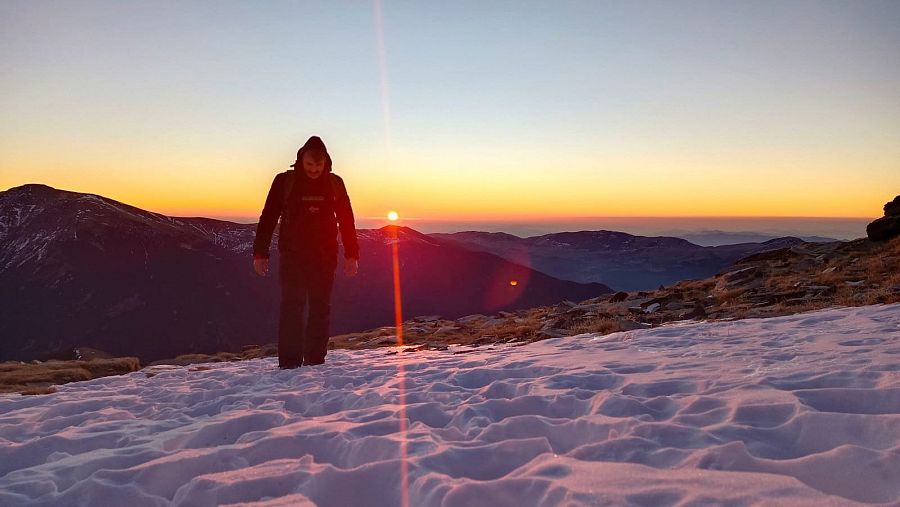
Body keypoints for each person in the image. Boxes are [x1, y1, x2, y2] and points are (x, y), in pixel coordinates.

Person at [252, 136, 359, 368]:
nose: (313, 170)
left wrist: (352, 255)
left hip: (324, 256)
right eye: (310, 165)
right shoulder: (284, 181)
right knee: (292, 306)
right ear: (301, 160)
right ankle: (289, 364)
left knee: (321, 307)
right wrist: (260, 253)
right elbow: (268, 216)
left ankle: (315, 360)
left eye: (318, 166)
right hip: (293, 256)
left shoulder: (334, 184)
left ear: (325, 163)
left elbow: (347, 220)